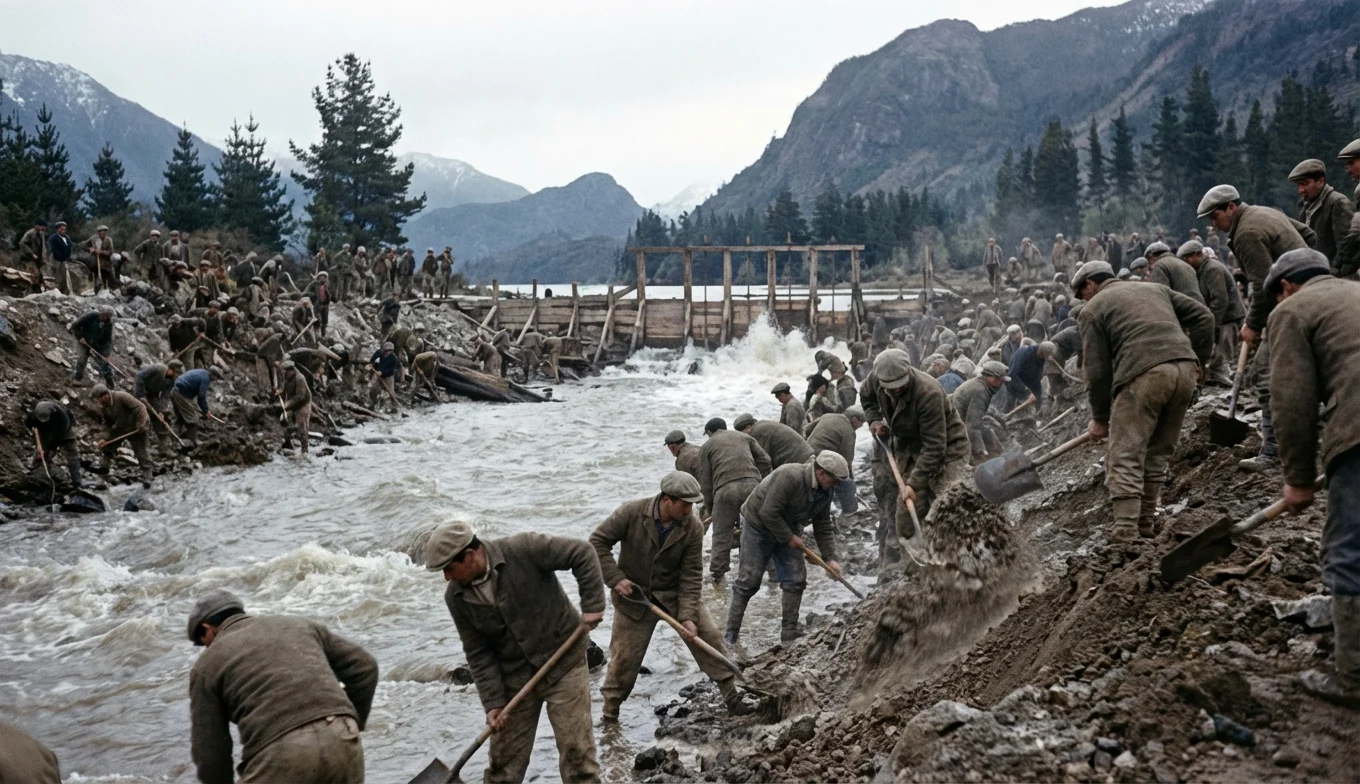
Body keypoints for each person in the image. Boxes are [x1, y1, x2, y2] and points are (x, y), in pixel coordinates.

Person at [426, 522, 604, 783]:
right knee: (503, 767)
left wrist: (593, 604)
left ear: (471, 554)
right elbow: (478, 651)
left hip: (564, 662)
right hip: (514, 678)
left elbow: (582, 553)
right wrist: (493, 703)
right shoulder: (456, 597)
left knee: (577, 755)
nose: (447, 578)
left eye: (450, 568)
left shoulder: (524, 549)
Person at [1262, 248, 1360, 707]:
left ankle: (1353, 677)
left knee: (1348, 551)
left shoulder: (1292, 312)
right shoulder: (1355, 293)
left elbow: (1293, 403)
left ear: (1285, 287)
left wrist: (1298, 477)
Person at [1071, 260, 1214, 543]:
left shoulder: (1093, 309)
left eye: (1081, 292)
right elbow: (1205, 318)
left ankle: (1125, 531)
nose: (1082, 299)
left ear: (1090, 284)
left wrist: (1100, 418)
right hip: (1184, 372)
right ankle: (1145, 524)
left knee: (1125, 453)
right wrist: (1200, 362)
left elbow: (1098, 372)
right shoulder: (1155, 289)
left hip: (1144, 376)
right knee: (1157, 453)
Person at [591, 471, 742, 719]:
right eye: (684, 505)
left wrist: (688, 617)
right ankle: (610, 713)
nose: (689, 510)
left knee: (710, 637)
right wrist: (616, 579)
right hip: (634, 597)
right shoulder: (631, 513)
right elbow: (597, 542)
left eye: (692, 505)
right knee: (623, 659)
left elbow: (691, 574)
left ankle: (732, 696)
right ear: (666, 500)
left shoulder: (692, 527)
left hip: (674, 594)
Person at [187, 589, 378, 784]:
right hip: (342, 738)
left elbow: (210, 750)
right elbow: (365, 667)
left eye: (203, 642)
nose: (207, 648)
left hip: (281, 752)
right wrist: (352, 720)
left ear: (206, 628)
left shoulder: (205, 666)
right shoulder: (298, 624)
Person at [1198, 184, 1315, 473]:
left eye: (1215, 217)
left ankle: (1273, 452)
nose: (1214, 225)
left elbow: (1264, 289)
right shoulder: (1265, 213)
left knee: (1264, 373)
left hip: (1292, 304)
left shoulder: (1247, 232)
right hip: (1312, 294)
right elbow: (1308, 236)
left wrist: (1252, 325)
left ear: (1231, 208)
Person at [724, 451, 848, 645]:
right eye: (835, 480)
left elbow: (822, 525)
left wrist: (831, 557)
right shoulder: (789, 476)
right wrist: (789, 537)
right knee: (749, 581)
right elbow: (768, 513)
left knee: (796, 579)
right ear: (821, 473)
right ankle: (731, 635)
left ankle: (789, 631)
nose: (837, 485)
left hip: (789, 526)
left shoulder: (826, 490)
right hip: (758, 525)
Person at [862, 348, 971, 546]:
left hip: (948, 446)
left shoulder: (928, 392)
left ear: (908, 372)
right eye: (890, 387)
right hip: (909, 444)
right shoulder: (876, 378)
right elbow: (867, 398)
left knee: (946, 500)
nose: (895, 390)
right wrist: (874, 419)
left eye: (899, 386)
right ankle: (912, 560)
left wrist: (914, 483)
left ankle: (957, 547)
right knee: (906, 508)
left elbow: (935, 447)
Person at [696, 417, 772, 581]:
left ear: (710, 432)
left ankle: (718, 573)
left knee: (722, 533)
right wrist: (762, 484)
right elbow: (765, 460)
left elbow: (706, 482)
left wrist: (711, 507)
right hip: (752, 485)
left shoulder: (707, 446)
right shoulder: (744, 437)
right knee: (762, 528)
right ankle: (773, 570)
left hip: (726, 490)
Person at [1180, 240, 1245, 387]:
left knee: (1222, 355)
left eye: (1186, 258)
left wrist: (1212, 324)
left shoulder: (1212, 269)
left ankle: (1223, 383)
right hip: (1221, 317)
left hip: (1229, 318)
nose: (1185, 262)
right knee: (1218, 355)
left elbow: (1220, 300)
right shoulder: (1201, 270)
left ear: (1197, 255)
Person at [1289, 158, 1354, 267]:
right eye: (1298, 185)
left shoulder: (1337, 203)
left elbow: (1347, 246)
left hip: (1337, 276)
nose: (1301, 190)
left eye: (1305, 184)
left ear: (1320, 181)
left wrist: (1335, 270)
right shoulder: (1305, 207)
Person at [91, 384, 154, 488]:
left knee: (141, 451)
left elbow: (140, 407)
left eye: (98, 399)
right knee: (107, 448)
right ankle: (103, 472)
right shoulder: (105, 408)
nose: (98, 402)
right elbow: (107, 424)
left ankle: (148, 475)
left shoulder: (121, 396)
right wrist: (105, 439)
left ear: (104, 395)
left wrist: (141, 424)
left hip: (136, 427)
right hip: (121, 427)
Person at [806, 407, 865, 513]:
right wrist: (850, 479)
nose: (860, 426)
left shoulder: (828, 416)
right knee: (846, 483)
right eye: (861, 422)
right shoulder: (849, 432)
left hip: (807, 453)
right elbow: (846, 461)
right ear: (854, 419)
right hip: (823, 459)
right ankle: (850, 512)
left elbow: (807, 429)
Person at [952, 361, 1010, 463]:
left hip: (959, 420)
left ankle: (999, 457)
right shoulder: (981, 391)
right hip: (955, 425)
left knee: (987, 432)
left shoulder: (979, 383)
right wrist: (981, 450)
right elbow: (973, 425)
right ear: (991, 378)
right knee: (975, 453)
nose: (1002, 384)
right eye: (1000, 380)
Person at [25, 400, 81, 488]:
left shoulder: (61, 413)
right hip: (46, 432)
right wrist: (40, 445)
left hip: (65, 431)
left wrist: (51, 445)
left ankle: (76, 482)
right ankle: (36, 475)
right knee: (41, 453)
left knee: (72, 453)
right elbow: (29, 424)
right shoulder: (33, 414)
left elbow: (62, 430)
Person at [134, 360, 184, 454]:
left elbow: (165, 396)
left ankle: (164, 447)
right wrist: (140, 395)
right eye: (176, 372)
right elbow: (139, 376)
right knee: (142, 416)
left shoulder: (172, 381)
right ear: (170, 369)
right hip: (141, 390)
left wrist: (161, 411)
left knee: (159, 418)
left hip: (153, 395)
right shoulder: (157, 368)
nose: (177, 375)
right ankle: (143, 447)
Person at [735, 413, 813, 469]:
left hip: (803, 463)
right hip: (807, 457)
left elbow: (763, 461)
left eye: (742, 434)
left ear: (748, 427)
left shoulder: (757, 432)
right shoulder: (762, 425)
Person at [69, 306, 116, 387]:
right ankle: (77, 378)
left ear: (108, 318)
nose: (102, 317)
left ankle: (109, 382)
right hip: (84, 341)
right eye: (101, 315)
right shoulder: (91, 316)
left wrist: (106, 355)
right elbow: (75, 325)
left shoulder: (109, 325)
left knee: (104, 363)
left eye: (104, 316)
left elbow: (108, 341)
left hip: (98, 344)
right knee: (82, 359)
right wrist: (80, 337)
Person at [172, 366, 219, 443]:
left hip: (176, 390)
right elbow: (201, 397)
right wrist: (206, 411)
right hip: (181, 394)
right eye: (217, 378)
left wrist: (205, 411)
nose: (216, 380)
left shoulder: (202, 372)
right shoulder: (206, 379)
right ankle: (191, 442)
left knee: (181, 417)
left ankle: (174, 439)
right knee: (192, 419)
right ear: (214, 375)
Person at [278, 361, 313, 456]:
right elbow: (285, 389)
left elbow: (300, 396)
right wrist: (280, 391)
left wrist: (288, 404)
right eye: (286, 371)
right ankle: (287, 443)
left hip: (304, 402)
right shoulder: (286, 377)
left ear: (293, 370)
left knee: (302, 425)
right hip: (292, 399)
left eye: (289, 370)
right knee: (285, 420)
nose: (288, 373)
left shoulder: (300, 378)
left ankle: (304, 449)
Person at [368, 342, 401, 413]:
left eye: (390, 350)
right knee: (373, 389)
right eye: (386, 350)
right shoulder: (379, 352)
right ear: (383, 350)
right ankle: (373, 403)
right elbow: (373, 359)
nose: (388, 352)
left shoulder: (394, 358)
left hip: (388, 375)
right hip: (377, 373)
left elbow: (391, 369)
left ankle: (394, 407)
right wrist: (371, 364)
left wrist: (382, 372)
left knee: (391, 392)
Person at [18, 218, 47, 293]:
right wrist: (31, 253)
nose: (43, 228)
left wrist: (43, 258)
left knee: (39, 276)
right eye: (42, 227)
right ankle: (31, 291)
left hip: (38, 259)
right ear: (37, 225)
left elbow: (42, 246)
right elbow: (21, 243)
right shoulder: (30, 233)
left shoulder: (41, 234)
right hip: (29, 258)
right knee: (34, 275)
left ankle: (37, 291)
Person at [48, 221, 75, 293]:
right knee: (56, 276)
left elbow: (70, 247)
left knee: (64, 275)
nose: (63, 231)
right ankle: (55, 290)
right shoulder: (53, 238)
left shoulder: (67, 237)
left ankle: (64, 291)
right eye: (61, 229)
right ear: (57, 229)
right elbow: (55, 250)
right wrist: (62, 257)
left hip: (64, 259)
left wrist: (67, 256)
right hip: (56, 259)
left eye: (64, 229)